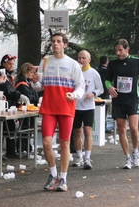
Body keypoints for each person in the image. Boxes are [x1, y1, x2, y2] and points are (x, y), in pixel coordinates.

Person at [32, 32, 85, 192]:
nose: (55, 44)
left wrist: (73, 95)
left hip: (66, 108)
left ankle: (63, 178)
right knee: (47, 143)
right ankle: (53, 174)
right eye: (53, 41)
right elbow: (39, 86)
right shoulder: (45, 61)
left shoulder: (73, 64)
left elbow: (81, 86)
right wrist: (34, 82)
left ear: (65, 45)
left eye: (59, 41)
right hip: (49, 107)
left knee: (64, 143)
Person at [105, 39, 139, 169]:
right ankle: (127, 158)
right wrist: (109, 87)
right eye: (116, 50)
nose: (118, 53)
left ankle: (135, 152)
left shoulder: (138, 62)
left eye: (120, 50)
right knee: (121, 129)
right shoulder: (113, 64)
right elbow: (107, 80)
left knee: (133, 128)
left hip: (132, 100)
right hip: (118, 100)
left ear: (127, 50)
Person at [72, 50, 104, 169]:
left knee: (87, 131)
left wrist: (93, 93)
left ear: (89, 60)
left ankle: (87, 158)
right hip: (76, 106)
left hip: (88, 106)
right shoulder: (74, 72)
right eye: (79, 58)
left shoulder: (93, 73)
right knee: (77, 132)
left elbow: (101, 89)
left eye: (84, 58)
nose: (81, 60)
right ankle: (79, 156)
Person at [0, 54, 28, 159]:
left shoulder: (10, 76)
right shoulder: (1, 74)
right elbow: (7, 89)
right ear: (3, 63)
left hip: (8, 106)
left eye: (13, 64)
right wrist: (18, 95)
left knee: (10, 128)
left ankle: (10, 151)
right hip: (0, 105)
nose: (11, 66)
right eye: (9, 64)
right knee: (1, 130)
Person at [14, 62, 39, 153]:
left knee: (28, 128)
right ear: (26, 72)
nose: (32, 75)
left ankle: (26, 146)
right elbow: (29, 96)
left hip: (29, 109)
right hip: (24, 109)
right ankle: (22, 146)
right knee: (25, 128)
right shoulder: (22, 83)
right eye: (31, 73)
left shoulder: (28, 82)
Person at [97, 55, 111, 132]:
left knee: (99, 110)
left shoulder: (97, 70)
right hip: (105, 92)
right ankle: (103, 127)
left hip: (98, 93)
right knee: (105, 110)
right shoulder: (106, 70)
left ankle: (99, 126)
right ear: (106, 62)